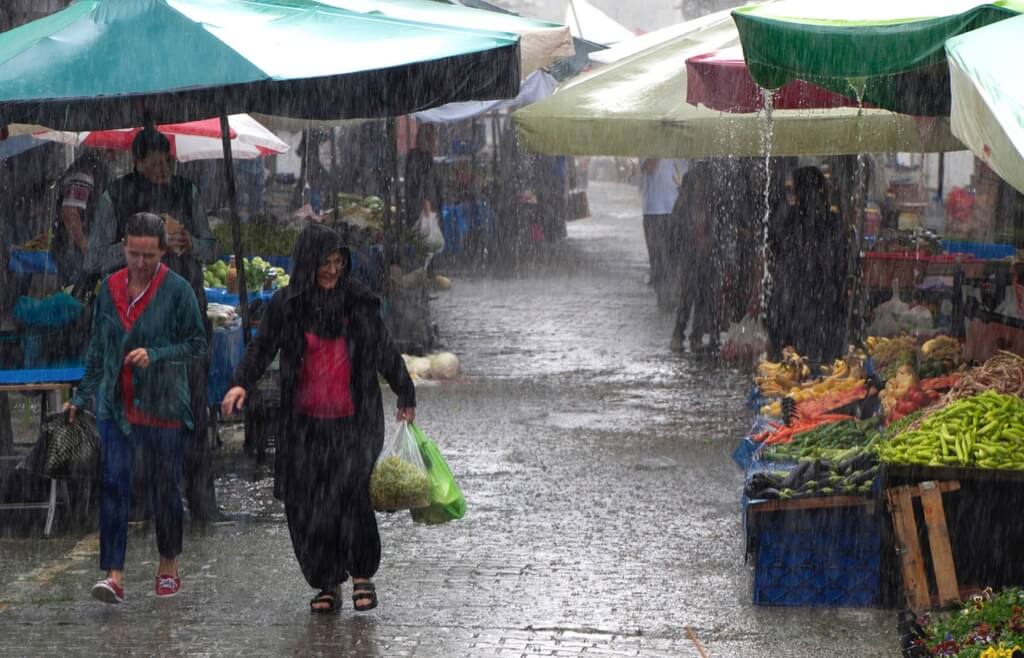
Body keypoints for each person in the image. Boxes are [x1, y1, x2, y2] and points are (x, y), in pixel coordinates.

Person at [221, 224, 416, 614]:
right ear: (307, 264)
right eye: (323, 263)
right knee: (308, 506)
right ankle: (327, 581)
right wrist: (240, 383)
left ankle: (362, 575)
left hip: (354, 423)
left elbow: (383, 349)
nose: (331, 271)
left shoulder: (359, 302)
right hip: (304, 425)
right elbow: (262, 348)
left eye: (337, 262)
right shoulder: (287, 305)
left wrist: (405, 392)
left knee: (350, 498)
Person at [66, 212, 207, 604]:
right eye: (133, 253)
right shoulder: (108, 289)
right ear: (123, 247)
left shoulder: (178, 291)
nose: (140, 262)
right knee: (114, 485)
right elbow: (97, 349)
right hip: (116, 406)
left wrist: (158, 353)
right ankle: (114, 575)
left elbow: (197, 344)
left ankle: (168, 564)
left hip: (164, 406)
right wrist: (81, 396)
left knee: (165, 489)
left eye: (149, 255)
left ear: (163, 252)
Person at [85, 127, 220, 522]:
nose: (163, 171)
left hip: (184, 318)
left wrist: (190, 243)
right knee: (137, 412)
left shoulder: (186, 191)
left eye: (168, 162)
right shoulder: (117, 195)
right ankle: (142, 502)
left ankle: (201, 501)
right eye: (155, 164)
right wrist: (138, 249)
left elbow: (213, 247)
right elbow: (95, 257)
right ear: (137, 162)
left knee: (192, 408)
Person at [50, 148, 116, 289]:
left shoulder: (96, 168)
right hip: (75, 253)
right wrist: (86, 248)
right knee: (77, 297)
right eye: (110, 150)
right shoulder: (84, 170)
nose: (115, 154)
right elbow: (70, 213)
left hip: (84, 250)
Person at [638, 158, 687, 308]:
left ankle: (675, 293)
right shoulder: (648, 141)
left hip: (678, 208)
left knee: (676, 255)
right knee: (658, 257)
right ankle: (664, 294)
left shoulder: (684, 142)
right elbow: (648, 166)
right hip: (655, 210)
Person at [404, 123, 441, 229]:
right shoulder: (422, 158)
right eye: (435, 138)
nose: (437, 142)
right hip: (421, 211)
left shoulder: (414, 157)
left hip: (417, 210)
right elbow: (424, 184)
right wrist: (426, 203)